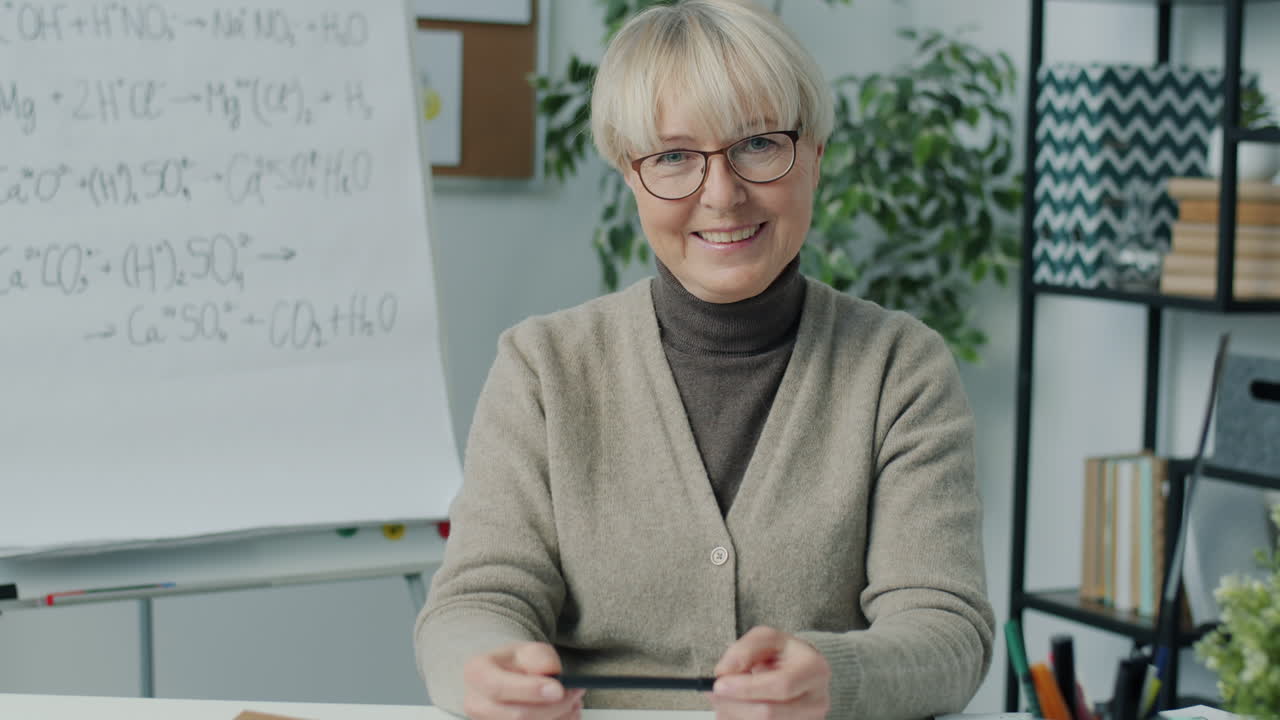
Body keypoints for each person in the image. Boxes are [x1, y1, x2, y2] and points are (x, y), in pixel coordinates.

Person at [414, 1, 995, 718]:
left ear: (813, 155)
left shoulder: (900, 367)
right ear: (632, 177)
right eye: (674, 156)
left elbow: (948, 632)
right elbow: (473, 602)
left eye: (757, 145)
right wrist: (484, 667)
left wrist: (834, 678)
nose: (721, 195)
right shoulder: (543, 367)